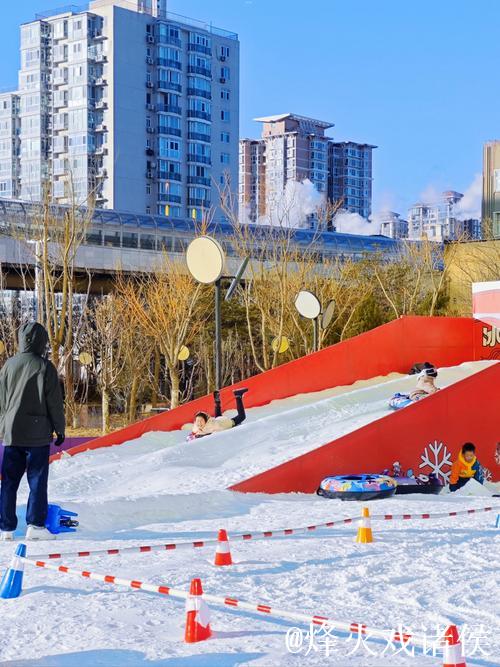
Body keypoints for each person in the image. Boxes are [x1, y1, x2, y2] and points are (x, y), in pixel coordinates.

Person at [0, 322, 65, 541]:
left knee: (9, 482)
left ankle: (6, 529)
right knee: (37, 481)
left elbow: (1, 401)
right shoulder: (45, 367)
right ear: (41, 341)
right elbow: (54, 402)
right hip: (37, 435)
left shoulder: (8, 366)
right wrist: (59, 429)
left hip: (12, 433)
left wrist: (3, 428)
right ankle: (35, 526)